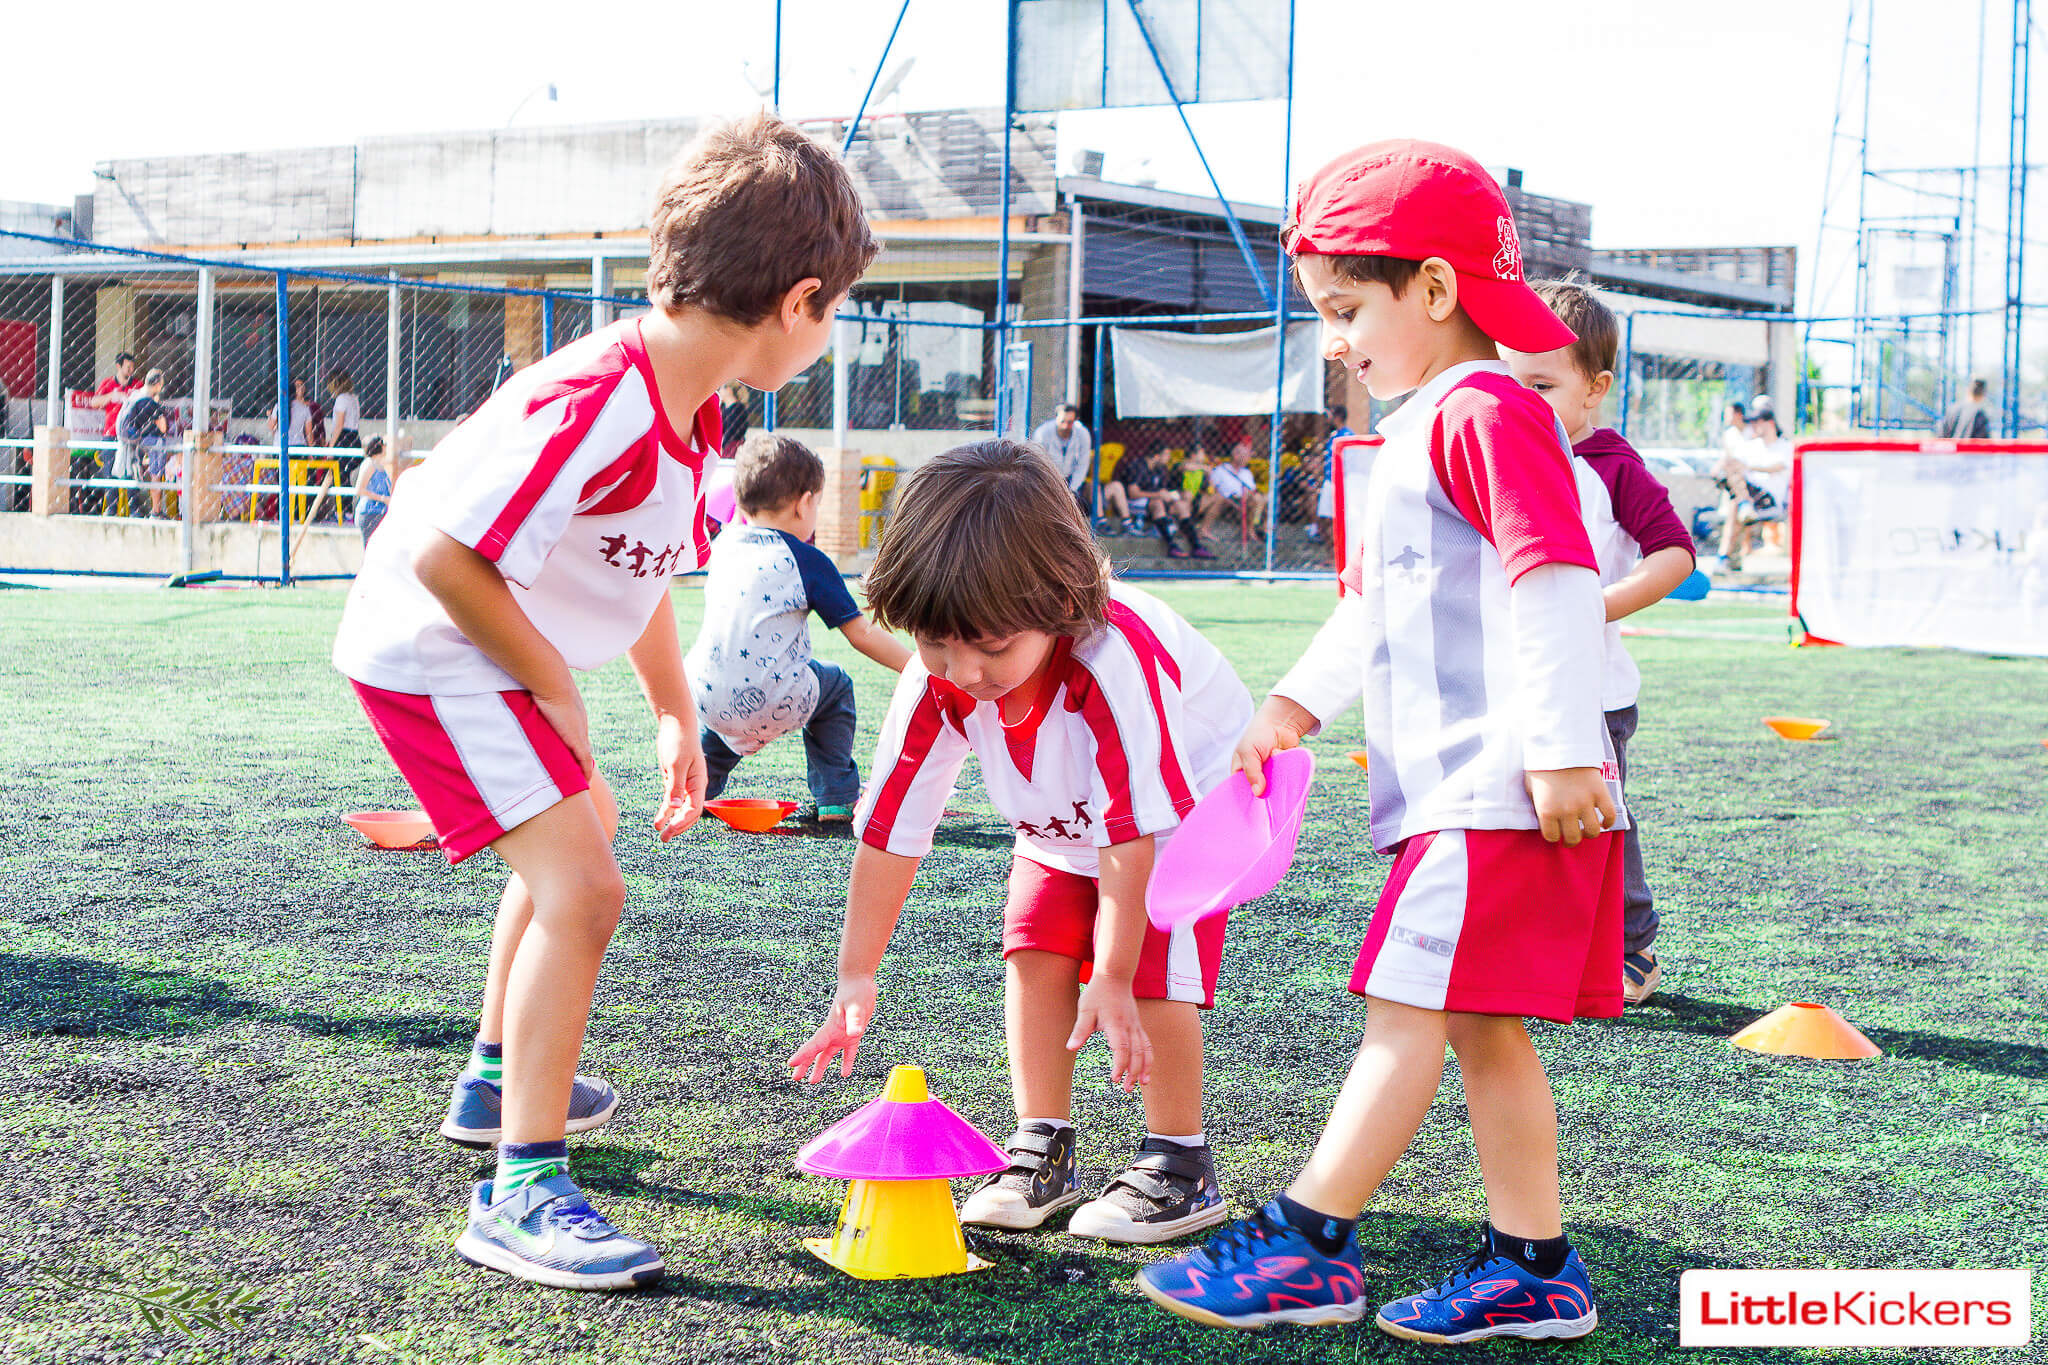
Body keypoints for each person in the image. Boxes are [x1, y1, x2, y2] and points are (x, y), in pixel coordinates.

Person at [329, 111, 878, 1292]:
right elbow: (440, 558)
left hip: (483, 645)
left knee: (584, 849)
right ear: (798, 299)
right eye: (832, 313)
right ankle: (521, 1186)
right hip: (431, 647)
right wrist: (551, 690)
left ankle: (494, 1082)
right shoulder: (597, 396)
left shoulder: (695, 411)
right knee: (584, 885)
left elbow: (635, 574)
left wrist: (674, 711)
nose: (826, 336)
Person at [1137, 140, 1624, 1342]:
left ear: (1438, 292)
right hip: (1460, 796)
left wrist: (1561, 749)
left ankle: (1307, 1243)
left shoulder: (1486, 413)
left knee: (1403, 1014)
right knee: (1476, 1029)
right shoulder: (1417, 433)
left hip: (1497, 791)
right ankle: (1534, 1268)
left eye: (1348, 310)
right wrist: (1291, 704)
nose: (1336, 341)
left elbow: (1553, 576)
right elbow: (1370, 605)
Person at [787, 439, 1254, 1245]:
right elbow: (892, 831)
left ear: (1060, 602)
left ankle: (1179, 1160)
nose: (962, 669)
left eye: (991, 645)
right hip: (1063, 819)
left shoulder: (1110, 663)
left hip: (1184, 814)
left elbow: (1133, 834)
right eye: (937, 643)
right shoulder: (936, 675)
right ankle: (1045, 1142)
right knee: (1033, 944)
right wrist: (856, 971)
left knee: (1152, 976)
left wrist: (1108, 973)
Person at [1504, 280, 1697, 1008]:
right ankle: (1542, 944)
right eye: (1509, 380)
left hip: (1596, 688)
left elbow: (1675, 554)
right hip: (1516, 684)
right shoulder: (1502, 454)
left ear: (1596, 387)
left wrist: (1591, 608)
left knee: (1597, 819)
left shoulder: (1612, 466)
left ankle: (1632, 947)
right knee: (1519, 816)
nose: (1523, 399)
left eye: (1544, 384)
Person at [686, 432, 911, 820]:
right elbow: (860, 634)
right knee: (836, 686)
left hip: (703, 697)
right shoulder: (805, 559)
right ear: (805, 503)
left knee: (731, 700)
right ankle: (836, 796)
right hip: (775, 697)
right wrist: (918, 668)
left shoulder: (721, 545)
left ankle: (697, 788)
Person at [115, 368, 173, 518]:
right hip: (149, 442)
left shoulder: (135, 395)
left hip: (132, 441)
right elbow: (163, 427)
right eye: (161, 384)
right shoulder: (148, 402)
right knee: (156, 474)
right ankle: (156, 511)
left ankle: (142, 466)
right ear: (157, 384)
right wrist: (157, 404)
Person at [1031, 403, 1094, 515]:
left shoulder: (1082, 433)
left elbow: (1082, 464)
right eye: (1062, 422)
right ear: (1056, 418)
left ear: (1076, 421)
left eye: (1070, 422)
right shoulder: (1043, 433)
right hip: (1049, 478)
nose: (1065, 426)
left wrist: (1072, 489)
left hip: (1072, 479)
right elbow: (1039, 463)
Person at [1201, 440, 1267, 540]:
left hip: (1246, 499)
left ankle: (1263, 529)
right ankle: (1252, 529)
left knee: (1265, 498)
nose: (1248, 459)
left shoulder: (1246, 472)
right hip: (1227, 500)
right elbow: (1212, 489)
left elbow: (1253, 490)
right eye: (1246, 456)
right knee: (1257, 499)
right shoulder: (1221, 470)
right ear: (1236, 455)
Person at [351, 434, 406, 544]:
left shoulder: (378, 464)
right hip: (369, 513)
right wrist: (383, 498)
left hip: (379, 512)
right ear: (379, 446)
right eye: (384, 445)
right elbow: (359, 490)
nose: (386, 447)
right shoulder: (369, 464)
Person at [1311, 404, 1352, 543]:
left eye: (1331, 415)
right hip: (1329, 480)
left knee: (1336, 518)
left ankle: (1337, 551)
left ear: (1338, 417)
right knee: (1324, 518)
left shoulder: (1347, 435)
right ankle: (1330, 552)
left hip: (1340, 482)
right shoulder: (1334, 435)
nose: (1328, 418)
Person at [719, 381, 751, 458]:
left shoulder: (738, 408)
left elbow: (733, 432)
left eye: (721, 388)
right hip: (725, 447)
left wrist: (723, 446)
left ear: (728, 390)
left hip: (734, 448)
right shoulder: (724, 409)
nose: (719, 391)